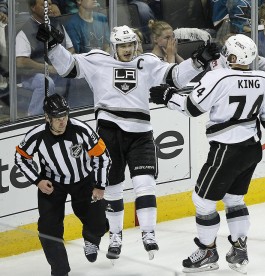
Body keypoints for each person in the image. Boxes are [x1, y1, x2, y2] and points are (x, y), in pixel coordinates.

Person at [36, 23, 220, 261]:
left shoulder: (146, 62)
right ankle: (115, 235)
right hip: (108, 132)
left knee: (145, 184)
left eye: (130, 44)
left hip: (140, 133)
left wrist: (197, 62)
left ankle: (148, 233)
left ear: (136, 44)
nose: (126, 49)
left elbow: (174, 77)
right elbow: (68, 67)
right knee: (111, 187)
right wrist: (53, 47)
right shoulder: (98, 60)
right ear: (113, 46)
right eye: (121, 45)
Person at [149, 34, 265, 274]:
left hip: (225, 149)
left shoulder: (218, 77)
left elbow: (191, 107)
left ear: (233, 56)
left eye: (227, 52)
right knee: (234, 200)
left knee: (202, 200)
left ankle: (207, 251)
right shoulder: (264, 79)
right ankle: (239, 250)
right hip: (251, 149)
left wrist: (167, 97)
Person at [15, 93, 111, 276]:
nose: (62, 121)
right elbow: (20, 157)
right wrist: (38, 180)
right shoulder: (37, 136)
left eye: (65, 116)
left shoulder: (81, 130)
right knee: (48, 229)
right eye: (57, 118)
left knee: (98, 224)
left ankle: (91, 237)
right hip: (53, 184)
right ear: (46, 117)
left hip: (84, 181)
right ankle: (60, 272)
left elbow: (102, 156)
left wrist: (99, 185)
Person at [16, 0, 75, 116]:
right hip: (32, 75)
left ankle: (69, 112)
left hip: (57, 71)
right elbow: (20, 61)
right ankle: (34, 117)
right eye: (44, 5)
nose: (48, 7)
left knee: (76, 75)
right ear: (33, 7)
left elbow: (71, 48)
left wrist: (62, 62)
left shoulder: (57, 24)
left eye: (49, 4)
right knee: (46, 82)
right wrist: (48, 68)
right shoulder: (25, 30)